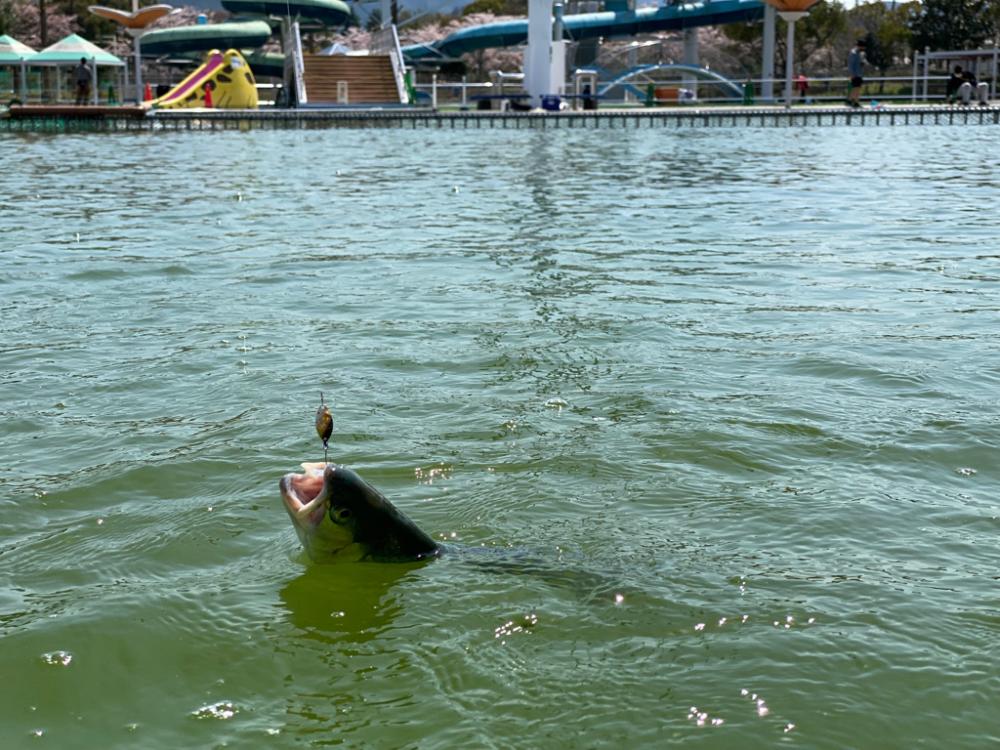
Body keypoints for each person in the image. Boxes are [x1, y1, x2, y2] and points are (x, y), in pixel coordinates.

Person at [847, 40, 866, 108]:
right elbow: (850, 65)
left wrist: (862, 63)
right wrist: (851, 74)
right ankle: (855, 102)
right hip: (855, 74)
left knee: (857, 88)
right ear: (859, 46)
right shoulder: (853, 53)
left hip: (859, 73)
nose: (864, 49)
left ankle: (851, 101)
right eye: (863, 47)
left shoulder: (860, 53)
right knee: (856, 88)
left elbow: (859, 62)